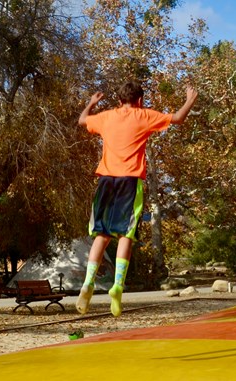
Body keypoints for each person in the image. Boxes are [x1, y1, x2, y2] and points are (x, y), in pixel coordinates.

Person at [76, 80, 198, 317]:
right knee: (126, 235)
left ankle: (88, 281)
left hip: (106, 182)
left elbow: (82, 120)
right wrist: (190, 100)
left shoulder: (106, 116)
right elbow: (178, 118)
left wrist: (91, 104)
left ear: (119, 100)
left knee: (102, 234)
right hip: (129, 182)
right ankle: (118, 286)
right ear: (139, 100)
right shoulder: (143, 115)